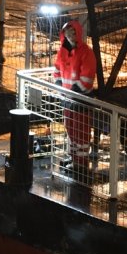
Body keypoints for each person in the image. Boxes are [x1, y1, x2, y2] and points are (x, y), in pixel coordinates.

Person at [53, 19, 97, 173]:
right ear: (64, 34)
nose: (70, 35)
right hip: (68, 97)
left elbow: (87, 78)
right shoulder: (63, 51)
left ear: (77, 33)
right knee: (70, 129)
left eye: (73, 33)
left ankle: (81, 163)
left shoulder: (86, 52)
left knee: (81, 132)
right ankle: (73, 157)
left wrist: (72, 91)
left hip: (80, 99)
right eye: (67, 33)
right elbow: (57, 69)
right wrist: (58, 83)